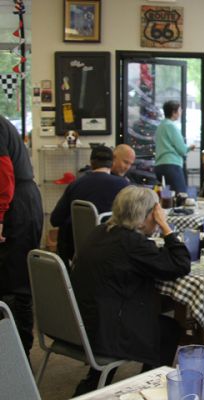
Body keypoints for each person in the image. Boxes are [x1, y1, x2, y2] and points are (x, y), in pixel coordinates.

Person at [71, 186, 191, 395]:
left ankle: (95, 380)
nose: (156, 218)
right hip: (106, 331)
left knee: (148, 310)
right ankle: (150, 386)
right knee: (170, 329)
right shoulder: (133, 244)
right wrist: (166, 227)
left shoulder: (100, 231)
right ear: (144, 217)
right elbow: (180, 265)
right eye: (155, 214)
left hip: (81, 321)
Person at [0, 115, 43, 359]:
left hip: (18, 207)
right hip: (18, 202)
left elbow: (3, 172)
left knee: (14, 285)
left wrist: (0, 216)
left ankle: (18, 358)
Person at [50, 145, 129, 267]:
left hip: (78, 251)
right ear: (112, 163)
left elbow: (55, 220)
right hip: (112, 251)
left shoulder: (75, 185)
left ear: (91, 163)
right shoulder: (124, 186)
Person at [154, 100, 196, 194]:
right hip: (172, 166)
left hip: (160, 166)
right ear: (174, 112)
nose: (181, 113)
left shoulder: (161, 126)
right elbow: (181, 149)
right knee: (180, 195)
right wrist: (189, 148)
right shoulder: (171, 126)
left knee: (167, 197)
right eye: (180, 110)